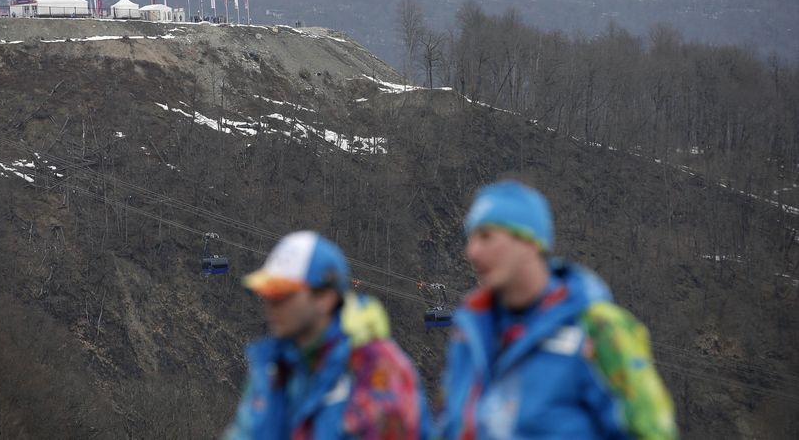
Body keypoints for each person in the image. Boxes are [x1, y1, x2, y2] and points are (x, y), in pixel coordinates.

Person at [437, 180, 678, 439]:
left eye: (486, 236)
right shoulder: (471, 333)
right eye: (470, 239)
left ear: (528, 242)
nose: (472, 252)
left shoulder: (595, 327)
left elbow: (652, 433)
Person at [225, 231, 429, 439]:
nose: (271, 306)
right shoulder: (272, 369)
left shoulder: (377, 372)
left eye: (283, 294)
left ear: (325, 298)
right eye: (268, 294)